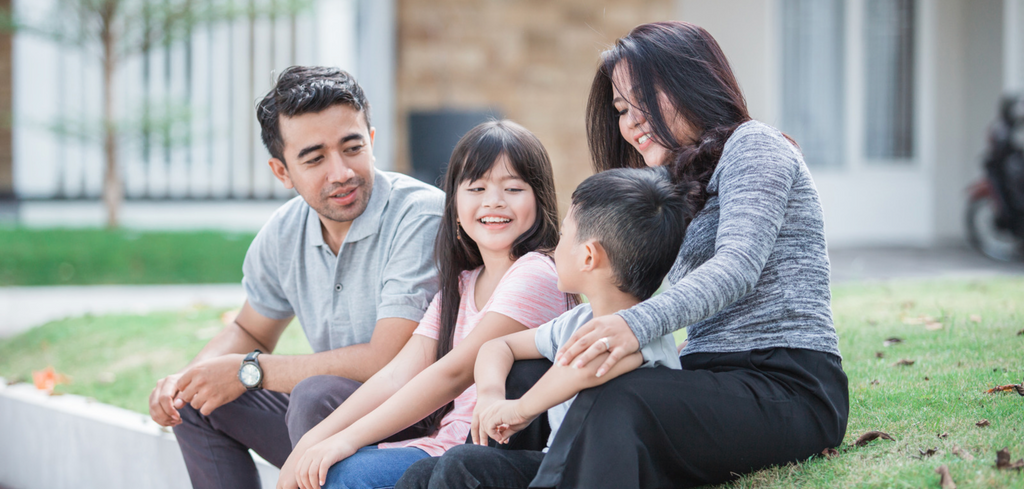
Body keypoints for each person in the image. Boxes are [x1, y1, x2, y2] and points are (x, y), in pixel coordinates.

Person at [413, 20, 849, 488]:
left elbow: (737, 267)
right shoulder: (673, 183)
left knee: (617, 395)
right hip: (706, 377)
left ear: (692, 81)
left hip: (787, 384)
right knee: (526, 378)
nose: (631, 121)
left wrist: (631, 328)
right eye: (622, 108)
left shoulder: (754, 145)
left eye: (643, 99)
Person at [147, 66, 445, 489]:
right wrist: (188, 379)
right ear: (282, 171)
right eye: (315, 158)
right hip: (329, 422)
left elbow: (389, 360)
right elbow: (250, 328)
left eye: (352, 147)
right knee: (199, 402)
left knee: (314, 395)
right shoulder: (284, 233)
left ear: (372, 142)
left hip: (419, 420)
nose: (340, 172)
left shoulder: (420, 216)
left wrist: (250, 371)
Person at [279, 120, 574, 489]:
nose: (494, 201)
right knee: (328, 465)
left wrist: (346, 439)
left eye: (513, 188)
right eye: (477, 188)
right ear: (454, 204)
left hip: (484, 461)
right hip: (440, 446)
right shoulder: (463, 284)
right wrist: (313, 441)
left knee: (344, 475)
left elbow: (452, 374)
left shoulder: (536, 273)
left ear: (539, 197)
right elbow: (398, 374)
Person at [396, 167, 694, 488]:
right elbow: (499, 346)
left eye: (564, 236)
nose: (556, 246)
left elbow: (583, 368)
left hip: (595, 473)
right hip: (554, 463)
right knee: (420, 474)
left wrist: (521, 410)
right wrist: (490, 396)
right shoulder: (576, 321)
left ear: (589, 257)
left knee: (462, 466)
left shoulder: (640, 333)